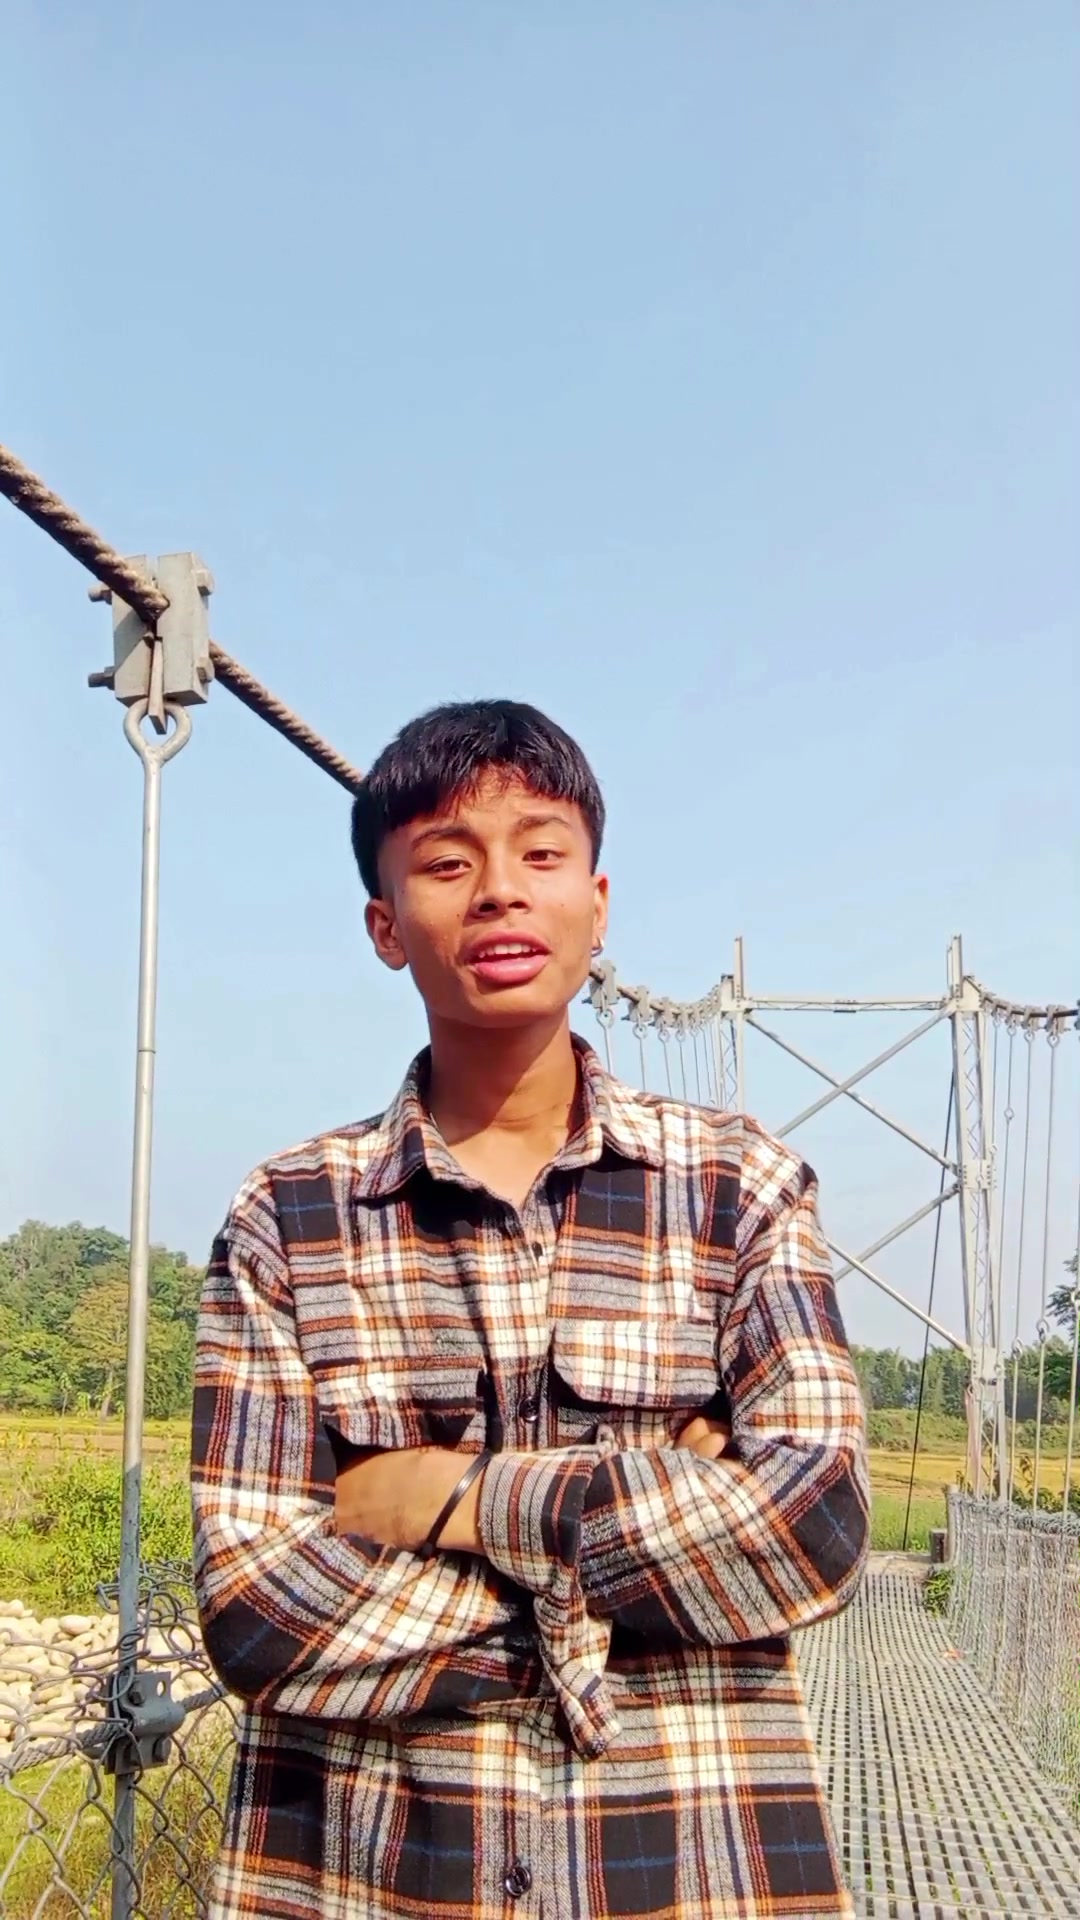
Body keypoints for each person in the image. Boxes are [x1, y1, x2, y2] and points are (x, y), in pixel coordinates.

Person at [192, 698, 869, 1920]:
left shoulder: (741, 1187)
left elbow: (816, 1525)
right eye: (448, 863)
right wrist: (653, 1538)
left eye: (541, 854)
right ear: (385, 926)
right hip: (370, 1877)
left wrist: (448, 1500)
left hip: (694, 1866)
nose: (501, 890)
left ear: (597, 907)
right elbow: (254, 1617)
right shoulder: (288, 1215)